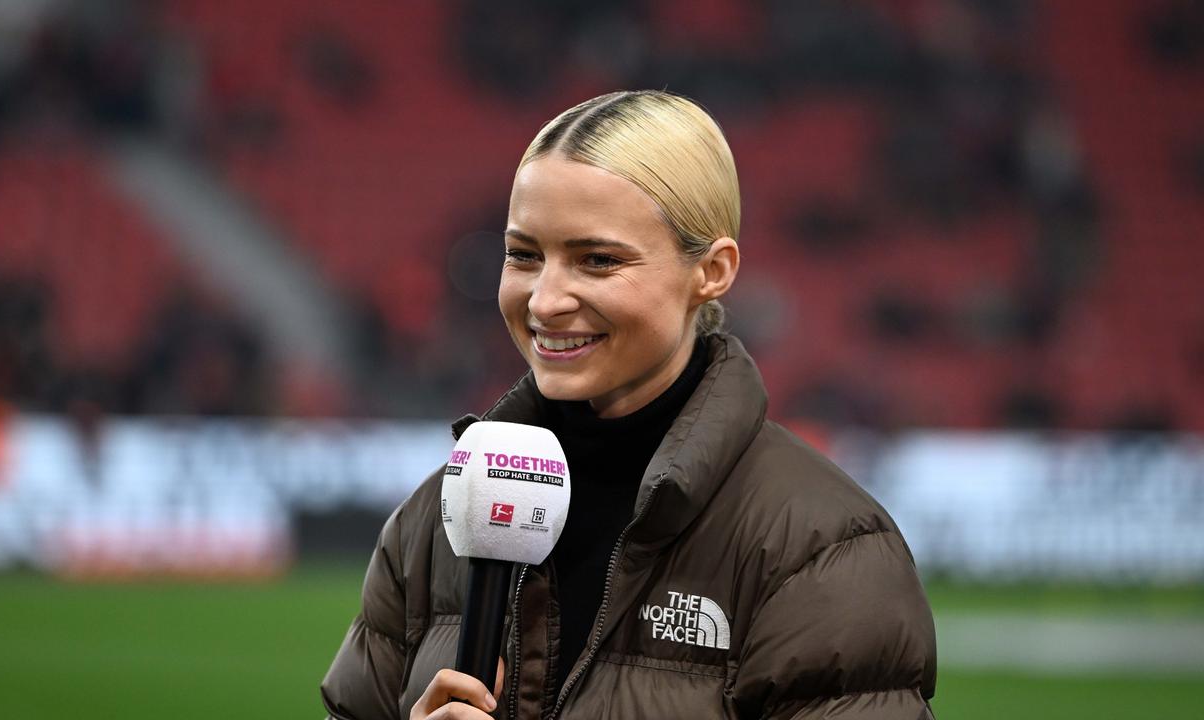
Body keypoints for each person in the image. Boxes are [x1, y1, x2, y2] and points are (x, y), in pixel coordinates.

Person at [322, 90, 937, 719]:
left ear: (713, 271)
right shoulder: (435, 519)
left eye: (597, 260)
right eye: (523, 255)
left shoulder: (821, 547)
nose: (544, 300)